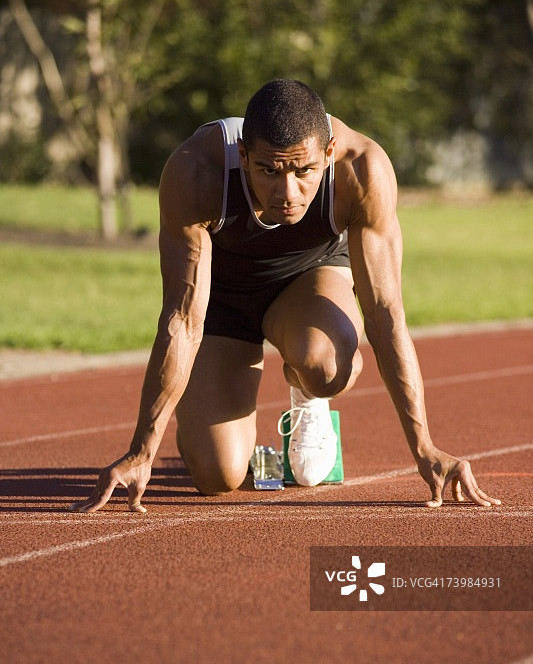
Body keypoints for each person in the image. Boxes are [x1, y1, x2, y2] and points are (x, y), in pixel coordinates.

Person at [71, 79, 501, 513]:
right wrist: (143, 448)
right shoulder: (196, 171)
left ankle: (306, 397)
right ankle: (199, 426)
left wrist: (424, 446)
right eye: (269, 171)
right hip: (222, 301)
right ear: (243, 155)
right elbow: (183, 318)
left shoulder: (362, 169)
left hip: (309, 282)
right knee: (217, 477)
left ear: (328, 154)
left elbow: (386, 313)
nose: (288, 193)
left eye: (304, 171)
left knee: (326, 366)